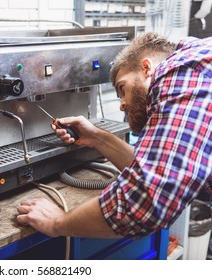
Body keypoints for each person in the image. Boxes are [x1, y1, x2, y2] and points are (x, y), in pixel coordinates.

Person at [16, 32, 212, 239]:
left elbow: (145, 201)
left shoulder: (180, 73)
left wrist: (57, 223)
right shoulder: (198, 61)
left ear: (147, 68)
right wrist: (96, 137)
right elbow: (157, 167)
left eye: (122, 87)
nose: (122, 105)